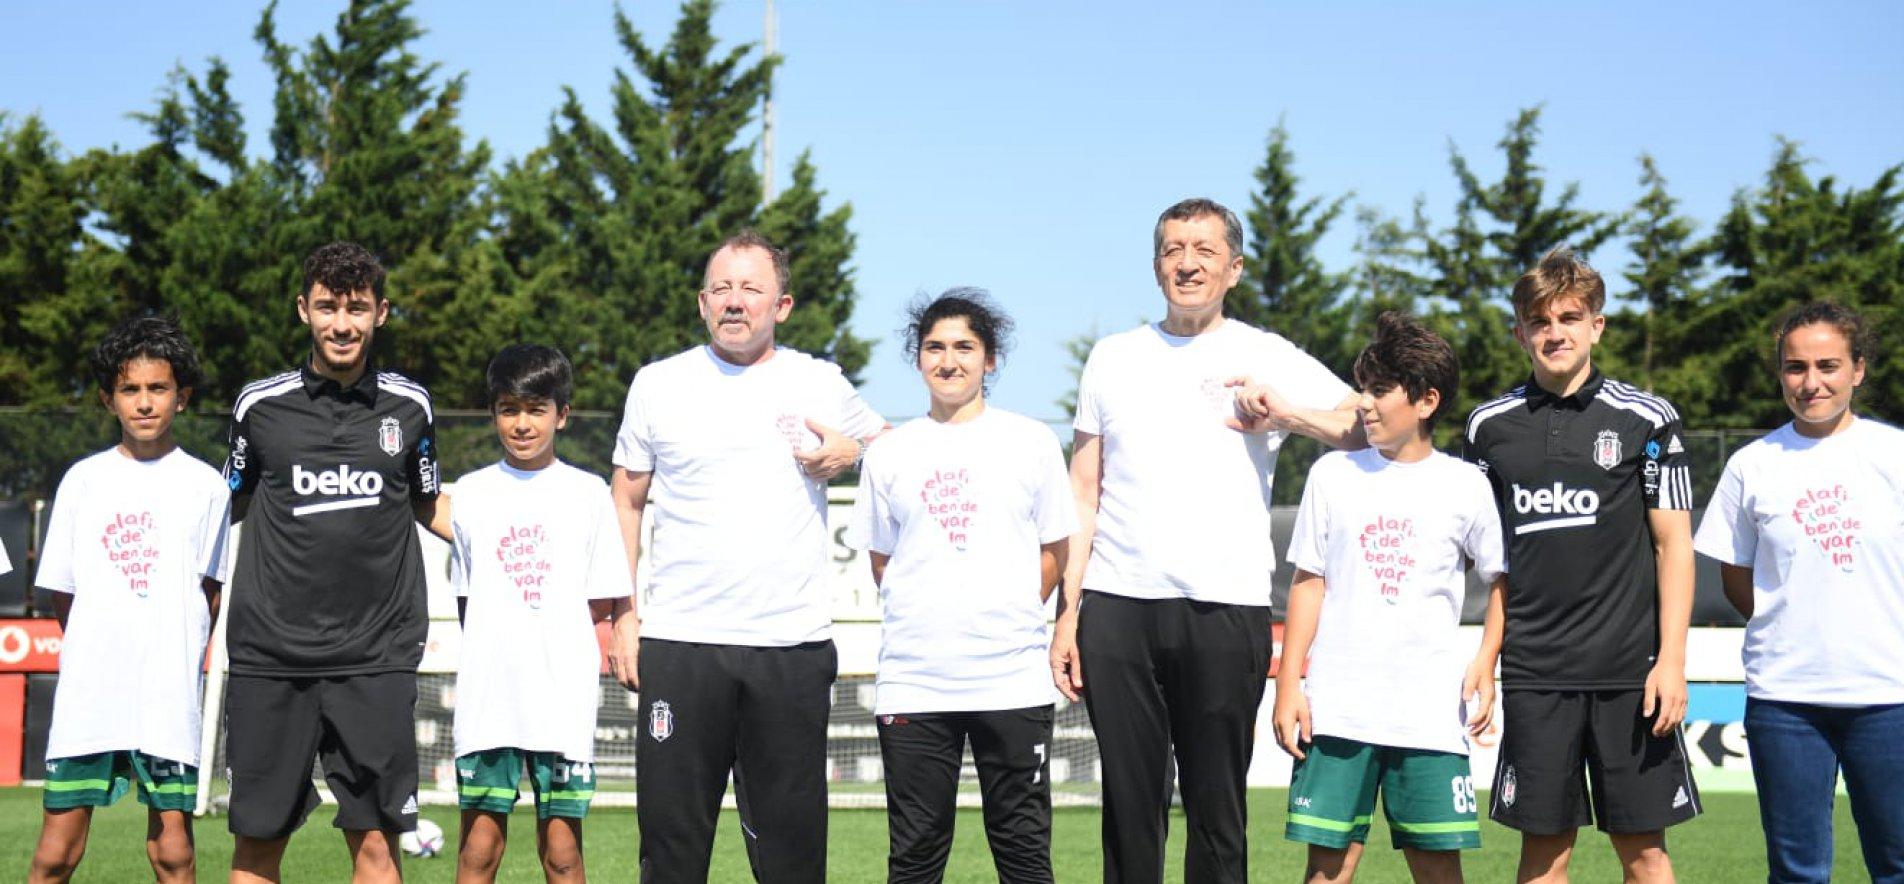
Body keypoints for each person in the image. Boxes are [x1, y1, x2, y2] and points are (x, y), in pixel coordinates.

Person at [1049, 197, 1363, 883]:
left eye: (1204, 250)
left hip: (1227, 608)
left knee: (1217, 810)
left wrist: (1284, 412)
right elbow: (1082, 491)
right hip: (1118, 607)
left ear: (1234, 267)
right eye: (1172, 249)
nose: (1187, 263)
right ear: (1157, 263)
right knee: (1129, 808)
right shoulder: (1113, 357)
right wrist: (1067, 613)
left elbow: (1363, 425)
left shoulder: (1265, 355)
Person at [607, 229, 886, 883]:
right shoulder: (658, 383)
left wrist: (853, 451)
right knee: (671, 850)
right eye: (722, 289)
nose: (735, 302)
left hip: (790, 647)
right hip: (680, 645)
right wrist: (622, 614)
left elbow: (900, 451)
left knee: (791, 855)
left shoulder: (818, 380)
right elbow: (626, 499)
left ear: (781, 306)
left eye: (751, 289)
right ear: (702, 303)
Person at [1463, 246, 1699, 883]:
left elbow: (1673, 545)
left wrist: (1672, 661)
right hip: (1536, 673)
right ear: (1519, 333)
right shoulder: (1488, 429)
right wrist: (1486, 658)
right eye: (1539, 321)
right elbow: (1494, 566)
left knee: (1644, 853)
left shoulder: (1648, 418)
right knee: (1544, 856)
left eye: (1570, 317)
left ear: (1597, 325)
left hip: (1631, 674)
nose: (1554, 332)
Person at [222, 242, 449, 884]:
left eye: (357, 307)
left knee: (377, 849)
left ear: (381, 313)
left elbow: (433, 506)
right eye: (327, 307)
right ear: (303, 310)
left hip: (375, 660)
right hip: (272, 659)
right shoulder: (258, 409)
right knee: (258, 849)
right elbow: (218, 512)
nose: (341, 323)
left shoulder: (411, 408)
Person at [845, 290, 1078, 883]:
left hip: (1012, 678)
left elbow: (1055, 551)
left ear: (990, 360)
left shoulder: (1031, 442)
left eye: (964, 347)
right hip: (915, 682)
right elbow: (882, 560)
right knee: (915, 856)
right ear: (919, 358)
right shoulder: (890, 453)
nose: (949, 361)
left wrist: (1010, 607)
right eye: (935, 347)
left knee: (1024, 853)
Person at [1273, 312, 1507, 884]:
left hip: (1428, 713)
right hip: (1338, 709)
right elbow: (1309, 582)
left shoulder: (1466, 484)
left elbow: (1502, 579)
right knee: (1328, 870)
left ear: (1427, 401)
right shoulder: (1332, 474)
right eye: (1364, 391)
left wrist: (1486, 660)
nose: (1366, 406)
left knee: (1437, 870)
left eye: (1380, 392)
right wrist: (1288, 685)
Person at [1692, 302, 1904, 883]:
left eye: (1828, 365)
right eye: (1795, 367)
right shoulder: (1750, 465)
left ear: (1858, 369)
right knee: (1797, 872)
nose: (1811, 382)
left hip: (1890, 697)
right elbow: (1736, 576)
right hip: (1785, 701)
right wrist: (1791, 626)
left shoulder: (1895, 456)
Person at [27, 316, 230, 884]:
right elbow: (62, 595)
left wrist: (166, 650)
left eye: (158, 388)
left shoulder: (206, 486)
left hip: (166, 698)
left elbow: (207, 595)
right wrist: (103, 646)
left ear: (182, 397)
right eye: (130, 390)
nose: (144, 403)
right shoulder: (83, 481)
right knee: (56, 853)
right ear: (109, 399)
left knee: (173, 852)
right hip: (92, 694)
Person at [449, 345, 631, 884]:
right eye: (509, 409)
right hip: (490, 699)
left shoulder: (589, 493)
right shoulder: (473, 494)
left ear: (562, 415)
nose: (522, 424)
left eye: (536, 409)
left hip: (561, 701)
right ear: (493, 414)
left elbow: (602, 600)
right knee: (479, 850)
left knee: (562, 853)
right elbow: (468, 598)